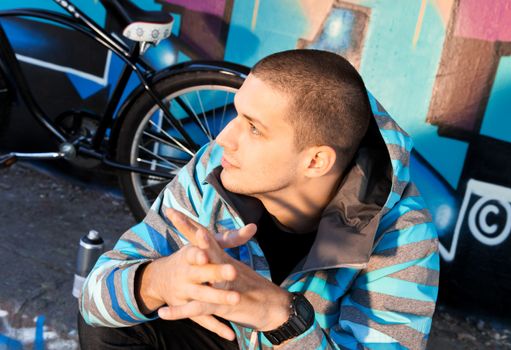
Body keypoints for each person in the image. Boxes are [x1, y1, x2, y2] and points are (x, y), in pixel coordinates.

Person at [78, 49, 439, 349]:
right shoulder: (214, 167)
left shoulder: (402, 235)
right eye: (237, 113)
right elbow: (94, 300)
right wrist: (157, 281)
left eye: (253, 128)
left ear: (316, 161)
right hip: (226, 336)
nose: (223, 139)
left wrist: (280, 316)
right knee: (121, 315)